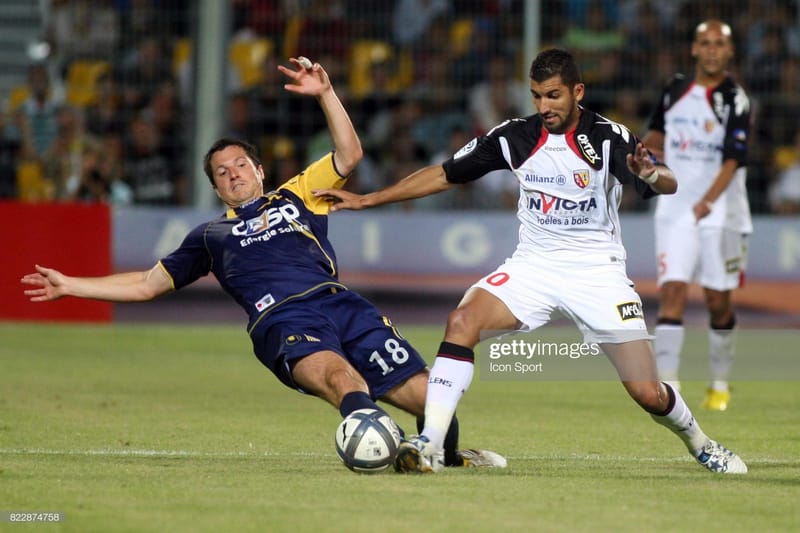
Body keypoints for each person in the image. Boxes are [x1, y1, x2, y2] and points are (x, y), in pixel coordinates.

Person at [20, 58, 504, 471]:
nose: (233, 175)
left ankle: (444, 457)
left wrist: (327, 94)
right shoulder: (210, 236)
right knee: (343, 381)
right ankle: (381, 442)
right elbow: (147, 285)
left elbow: (349, 153)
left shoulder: (299, 194)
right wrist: (72, 285)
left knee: (432, 400)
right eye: (222, 173)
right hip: (283, 320)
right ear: (216, 190)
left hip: (342, 304)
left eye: (239, 166)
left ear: (260, 170)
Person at [314, 48, 747, 475]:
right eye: (537, 95)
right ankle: (429, 444)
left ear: (578, 91)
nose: (544, 106)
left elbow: (666, 182)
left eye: (554, 96)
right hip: (534, 266)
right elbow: (446, 173)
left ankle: (702, 444)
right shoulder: (514, 136)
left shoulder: (608, 137)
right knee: (462, 322)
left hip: (597, 272)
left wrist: (650, 173)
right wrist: (370, 198)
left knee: (648, 392)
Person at [642, 20, 752, 411]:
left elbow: (734, 160)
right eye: (704, 43)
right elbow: (656, 133)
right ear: (693, 49)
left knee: (717, 301)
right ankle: (668, 389)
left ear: (729, 52)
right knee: (672, 291)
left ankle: (719, 382)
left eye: (719, 44)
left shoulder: (734, 99)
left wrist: (707, 201)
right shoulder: (675, 89)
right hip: (674, 207)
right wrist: (649, 154)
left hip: (721, 210)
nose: (711, 50)